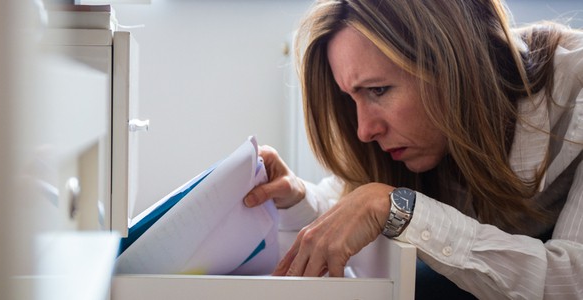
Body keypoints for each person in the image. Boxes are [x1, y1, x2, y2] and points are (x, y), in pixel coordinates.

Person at [242, 0, 583, 299]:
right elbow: (347, 204)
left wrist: (402, 210)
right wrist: (297, 196)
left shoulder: (576, 89)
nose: (364, 131)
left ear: (453, 62)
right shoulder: (418, 142)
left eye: (378, 90)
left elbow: (571, 282)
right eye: (352, 97)